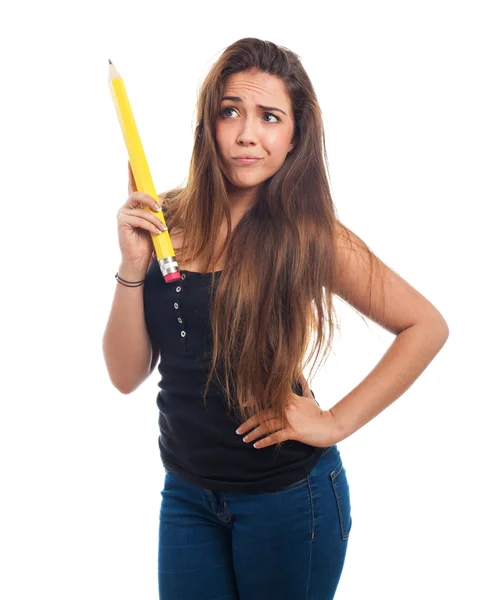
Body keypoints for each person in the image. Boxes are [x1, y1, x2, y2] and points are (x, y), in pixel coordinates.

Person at [102, 37, 449, 599]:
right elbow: (125, 375)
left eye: (269, 117)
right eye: (231, 111)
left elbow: (426, 326)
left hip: (290, 502)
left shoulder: (311, 237)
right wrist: (132, 264)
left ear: (294, 137)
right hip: (187, 496)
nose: (246, 133)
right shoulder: (164, 221)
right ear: (208, 124)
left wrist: (334, 422)